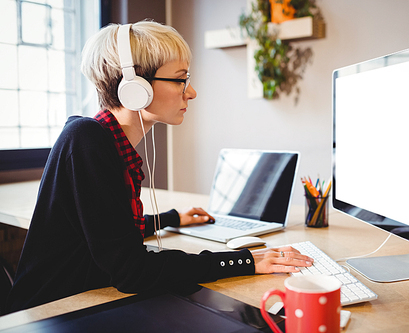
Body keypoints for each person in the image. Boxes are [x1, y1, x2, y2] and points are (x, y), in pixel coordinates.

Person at [3, 21, 313, 314]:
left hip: (81, 300)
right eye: (180, 79)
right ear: (135, 88)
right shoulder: (87, 142)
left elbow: (107, 230)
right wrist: (242, 261)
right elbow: (131, 271)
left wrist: (170, 219)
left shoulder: (104, 141)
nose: (190, 92)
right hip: (50, 313)